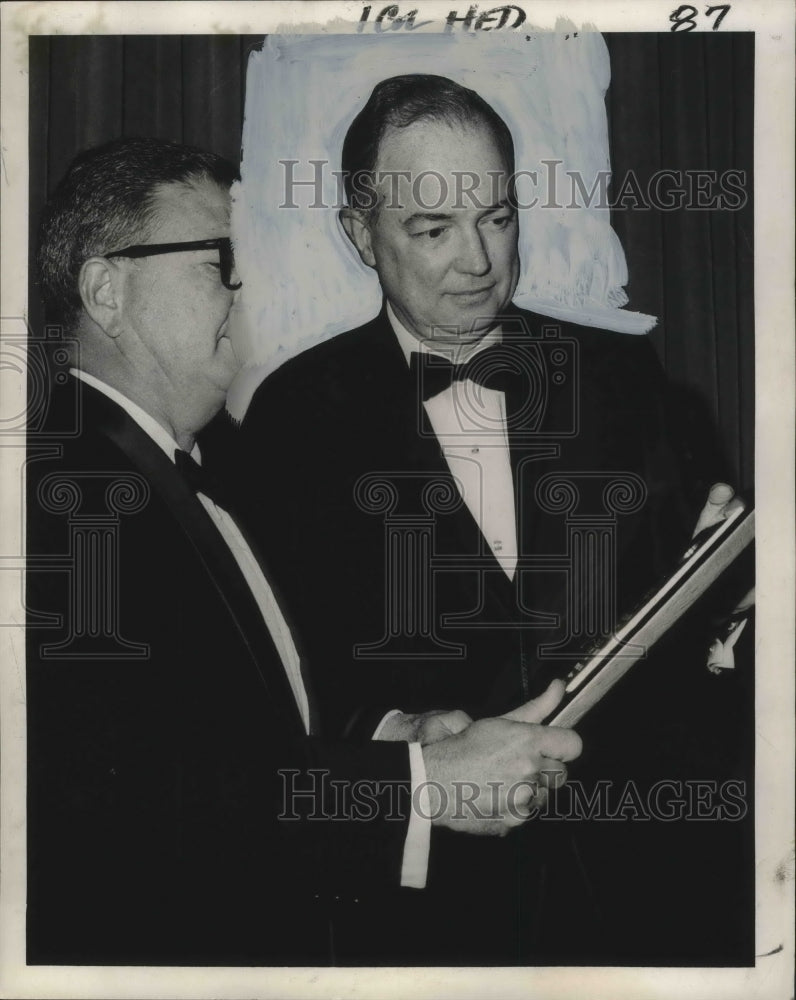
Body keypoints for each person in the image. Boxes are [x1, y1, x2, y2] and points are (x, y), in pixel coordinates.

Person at [25, 136, 583, 967]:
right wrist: (427, 787)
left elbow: (237, 737)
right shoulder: (58, 500)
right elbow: (146, 807)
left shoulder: (198, 469)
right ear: (107, 289)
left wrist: (397, 737)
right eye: (219, 261)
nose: (244, 290)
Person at [230, 75, 752, 963]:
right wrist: (401, 736)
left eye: (498, 217)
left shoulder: (625, 380)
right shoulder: (290, 418)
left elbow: (706, 633)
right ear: (360, 235)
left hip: (654, 888)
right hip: (438, 918)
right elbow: (284, 688)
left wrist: (731, 604)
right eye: (432, 230)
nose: (477, 260)